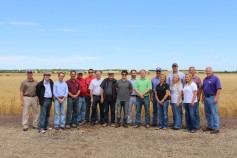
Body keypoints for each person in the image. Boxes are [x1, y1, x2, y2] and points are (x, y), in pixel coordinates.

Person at [202, 67, 222, 134]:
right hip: (206, 98)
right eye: (207, 71)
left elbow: (219, 89)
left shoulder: (216, 78)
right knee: (207, 113)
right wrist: (202, 97)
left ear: (212, 71)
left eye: (209, 71)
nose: (208, 72)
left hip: (212, 97)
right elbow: (203, 89)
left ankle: (216, 128)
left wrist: (216, 98)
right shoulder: (205, 79)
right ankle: (210, 126)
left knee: (214, 113)